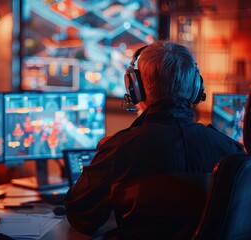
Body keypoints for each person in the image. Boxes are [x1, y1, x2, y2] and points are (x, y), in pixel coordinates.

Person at [63, 40, 246, 239]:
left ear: (136, 88)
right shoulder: (230, 152)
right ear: (195, 87)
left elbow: (80, 216)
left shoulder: (119, 149)